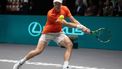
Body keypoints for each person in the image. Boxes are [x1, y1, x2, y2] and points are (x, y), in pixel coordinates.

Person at [13, 0, 91, 69]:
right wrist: (80, 28)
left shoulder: (65, 9)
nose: (58, 5)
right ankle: (20, 62)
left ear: (61, 4)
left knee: (69, 44)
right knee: (38, 51)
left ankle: (65, 66)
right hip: (47, 33)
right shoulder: (50, 14)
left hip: (58, 33)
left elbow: (73, 20)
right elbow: (66, 24)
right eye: (56, 3)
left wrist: (84, 28)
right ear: (53, 4)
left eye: (59, 3)